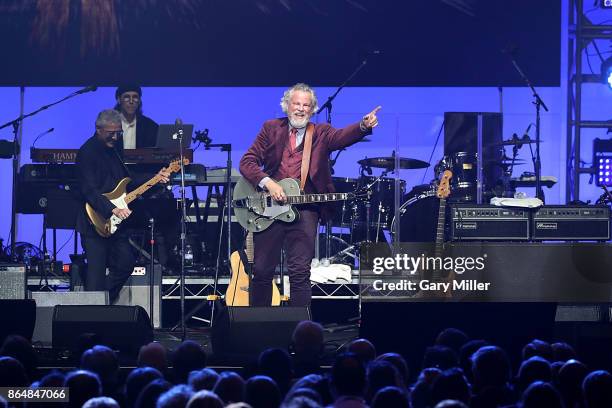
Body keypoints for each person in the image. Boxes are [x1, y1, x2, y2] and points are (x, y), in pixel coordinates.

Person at [239, 83, 380, 306]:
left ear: (312, 109)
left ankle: (301, 331)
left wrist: (362, 126)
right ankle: (257, 328)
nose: (301, 109)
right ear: (287, 106)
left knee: (300, 273)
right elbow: (247, 162)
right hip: (269, 210)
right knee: (262, 271)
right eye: (296, 104)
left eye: (306, 105)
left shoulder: (321, 132)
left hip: (305, 210)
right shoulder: (270, 128)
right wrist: (268, 183)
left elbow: (342, 136)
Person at [75, 109, 170, 303]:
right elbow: (89, 190)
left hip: (116, 222)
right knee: (95, 276)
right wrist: (112, 208)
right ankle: (93, 318)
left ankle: (104, 303)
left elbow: (127, 178)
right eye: (111, 132)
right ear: (98, 129)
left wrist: (155, 178)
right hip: (95, 220)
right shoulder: (87, 152)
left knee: (126, 264)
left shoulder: (115, 149)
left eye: (119, 132)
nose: (116, 136)